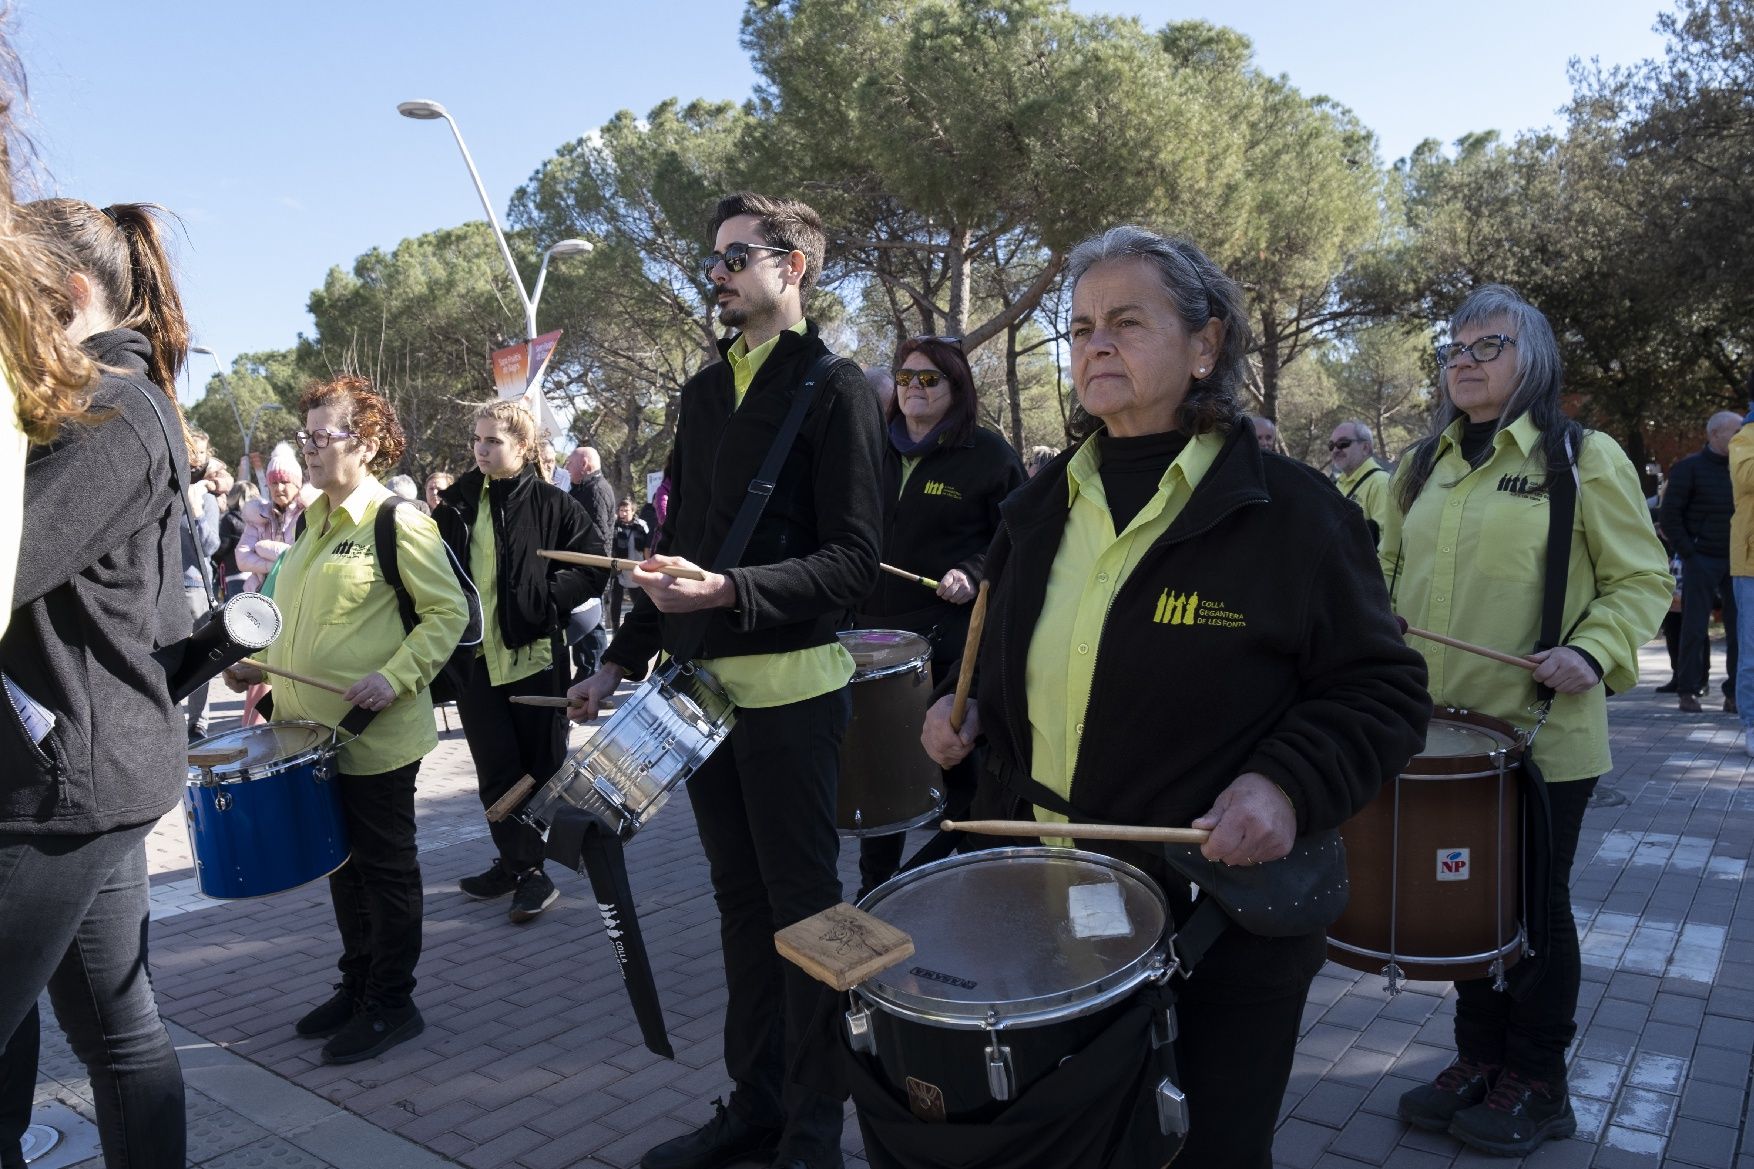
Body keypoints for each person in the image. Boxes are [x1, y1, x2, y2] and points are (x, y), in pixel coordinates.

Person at [916, 226, 1428, 1169]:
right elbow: (1003, 670)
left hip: (1221, 920)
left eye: (1125, 321)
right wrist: (965, 711)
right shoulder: (1034, 515)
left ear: (1206, 345)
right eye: (1078, 328)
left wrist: (1285, 784)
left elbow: (1384, 689)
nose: (1094, 344)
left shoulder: (1300, 514)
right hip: (1047, 910)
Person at [568, 191, 883, 1169]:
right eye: (712, 258)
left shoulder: (837, 390)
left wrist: (732, 590)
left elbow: (855, 560)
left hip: (794, 695)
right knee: (740, 911)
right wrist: (618, 659)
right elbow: (680, 543)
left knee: (812, 915)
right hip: (700, 701)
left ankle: (815, 1129)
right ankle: (754, 1101)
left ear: (792, 268)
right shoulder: (703, 394)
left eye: (736, 255)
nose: (717, 272)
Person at [1380, 285, 1670, 1156]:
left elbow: (1642, 579)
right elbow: (1382, 568)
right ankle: (1479, 1058)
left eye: (1487, 345)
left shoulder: (1583, 457)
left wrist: (1595, 649)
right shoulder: (1422, 463)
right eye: (1454, 348)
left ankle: (1539, 1081)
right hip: (1441, 736)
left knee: (1535, 911)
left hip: (1542, 736)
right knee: (1470, 903)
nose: (1463, 361)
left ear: (1532, 358)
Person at [4, 197, 198, 1167]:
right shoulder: (108, 402)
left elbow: (14, 558)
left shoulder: (118, 408)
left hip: (68, 779)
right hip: (89, 763)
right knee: (116, 1030)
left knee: (115, 1035)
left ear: (71, 295)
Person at [224, 375, 467, 1064]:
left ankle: (393, 1002)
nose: (307, 448)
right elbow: (291, 620)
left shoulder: (398, 521)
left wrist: (392, 677)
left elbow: (447, 614)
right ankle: (358, 984)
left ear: (362, 443)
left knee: (386, 870)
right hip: (311, 738)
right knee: (344, 868)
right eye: (305, 436)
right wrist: (258, 665)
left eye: (319, 436)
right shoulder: (309, 524)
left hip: (378, 738)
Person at [855, 335, 1023, 895]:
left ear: (957, 387)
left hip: (950, 651)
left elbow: (1015, 543)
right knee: (881, 778)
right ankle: (876, 891)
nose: (915, 389)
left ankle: (963, 882)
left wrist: (973, 570)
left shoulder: (991, 457)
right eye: (906, 378)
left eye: (930, 379)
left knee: (957, 776)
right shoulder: (871, 450)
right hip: (872, 647)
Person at [434, 399, 604, 923]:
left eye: (494, 441)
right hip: (475, 663)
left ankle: (521, 862)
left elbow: (594, 565)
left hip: (534, 658)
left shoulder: (555, 504)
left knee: (542, 767)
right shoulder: (456, 503)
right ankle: (525, 869)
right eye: (477, 440)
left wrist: (544, 601)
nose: (481, 450)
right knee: (496, 769)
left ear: (524, 448)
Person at [1660, 411, 1743, 713]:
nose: (1741, 436)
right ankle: (1688, 690)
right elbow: (1670, 516)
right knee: (1694, 627)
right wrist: (1690, 552)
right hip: (1702, 559)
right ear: (1715, 434)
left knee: (1739, 629)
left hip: (1737, 561)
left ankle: (1734, 693)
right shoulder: (1689, 469)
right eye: (1735, 431)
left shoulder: (1742, 467)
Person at [181, 424, 221, 739]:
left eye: (202, 453)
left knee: (199, 663)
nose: (197, 459)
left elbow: (209, 546)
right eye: (192, 451)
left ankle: (198, 723)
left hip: (197, 588)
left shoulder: (205, 499)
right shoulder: (168, 493)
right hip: (166, 590)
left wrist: (195, 513)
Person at [1731, 388, 1754, 756]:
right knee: (1752, 650)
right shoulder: (1744, 436)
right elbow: (1748, 477)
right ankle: (1751, 722)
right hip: (1751, 564)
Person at [1329, 419, 1392, 545]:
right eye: (1331, 445)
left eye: (1343, 443)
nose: (1335, 450)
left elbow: (1387, 540)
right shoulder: (1337, 483)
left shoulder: (1380, 483)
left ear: (1365, 448)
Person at [607, 496, 649, 631]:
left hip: (637, 569)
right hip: (619, 571)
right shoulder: (614, 527)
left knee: (638, 603)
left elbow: (647, 548)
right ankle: (615, 629)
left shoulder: (641, 526)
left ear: (633, 510)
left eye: (626, 510)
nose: (623, 513)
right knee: (616, 603)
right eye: (621, 510)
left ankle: (640, 628)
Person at [216, 478, 258, 597]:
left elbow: (222, 547)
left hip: (235, 573)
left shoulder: (228, 519)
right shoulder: (262, 518)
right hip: (259, 573)